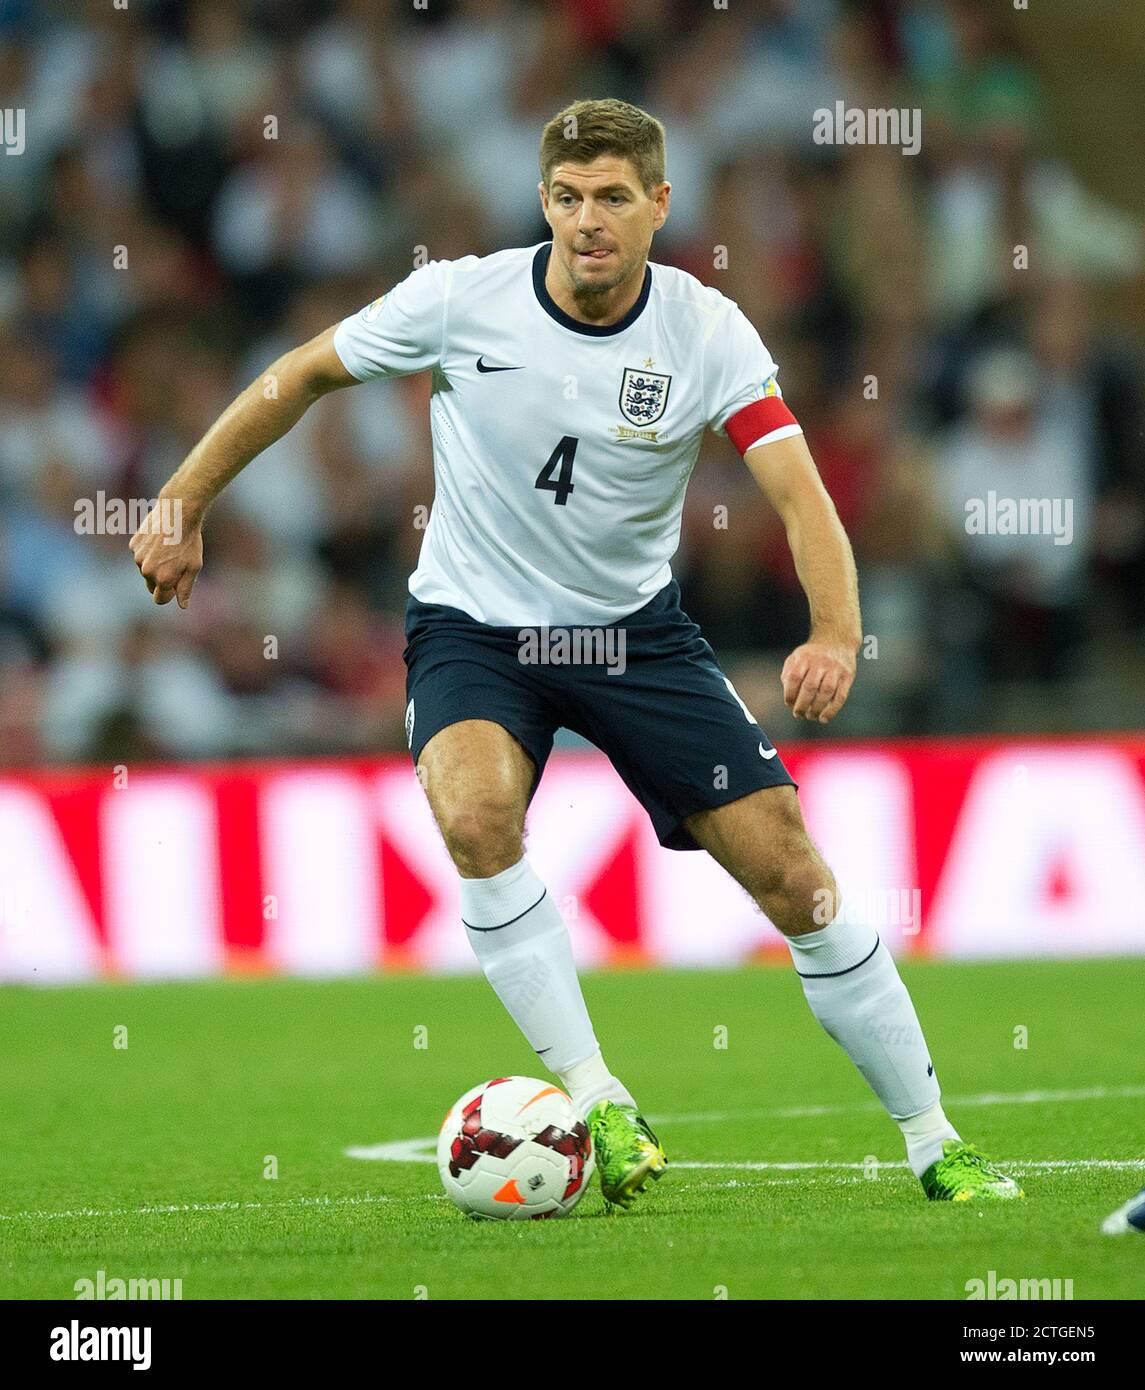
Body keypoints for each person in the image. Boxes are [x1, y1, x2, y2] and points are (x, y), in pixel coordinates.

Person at [131, 98, 1021, 1210]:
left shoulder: (705, 332)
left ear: (658, 203)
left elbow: (796, 493)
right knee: (472, 815)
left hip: (632, 636)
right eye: (564, 198)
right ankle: (597, 1095)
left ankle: (934, 1142)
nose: (585, 220)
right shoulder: (459, 301)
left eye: (610, 198)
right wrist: (181, 500)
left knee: (792, 873)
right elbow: (299, 373)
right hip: (474, 628)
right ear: (541, 200)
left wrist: (834, 631)